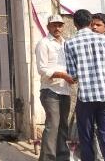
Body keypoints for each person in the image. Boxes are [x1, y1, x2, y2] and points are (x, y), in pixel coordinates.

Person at [64, 9, 105, 161]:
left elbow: (73, 75)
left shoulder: (69, 43)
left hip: (85, 98)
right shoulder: (103, 40)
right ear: (90, 22)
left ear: (75, 24)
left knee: (86, 137)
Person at [36, 14, 75, 161]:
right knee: (53, 126)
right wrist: (63, 75)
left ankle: (62, 157)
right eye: (54, 25)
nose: (57, 28)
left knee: (63, 126)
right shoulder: (43, 43)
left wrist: (72, 76)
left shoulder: (66, 44)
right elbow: (42, 70)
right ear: (48, 27)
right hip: (49, 91)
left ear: (63, 27)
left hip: (64, 90)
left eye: (60, 25)